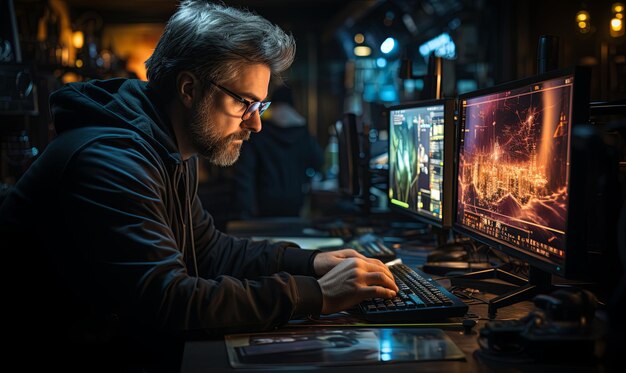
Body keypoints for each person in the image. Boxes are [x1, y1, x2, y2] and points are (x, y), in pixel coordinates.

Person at [0, 1, 397, 371]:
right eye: (244, 103)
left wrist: (310, 262)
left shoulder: (167, 148)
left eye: (260, 106)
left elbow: (210, 251)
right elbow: (171, 302)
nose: (255, 123)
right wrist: (316, 294)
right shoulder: (110, 161)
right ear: (189, 89)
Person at [232, 85, 324, 218]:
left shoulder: (259, 130)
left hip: (263, 203)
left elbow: (245, 171)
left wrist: (245, 207)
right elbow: (318, 161)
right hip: (295, 200)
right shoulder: (303, 131)